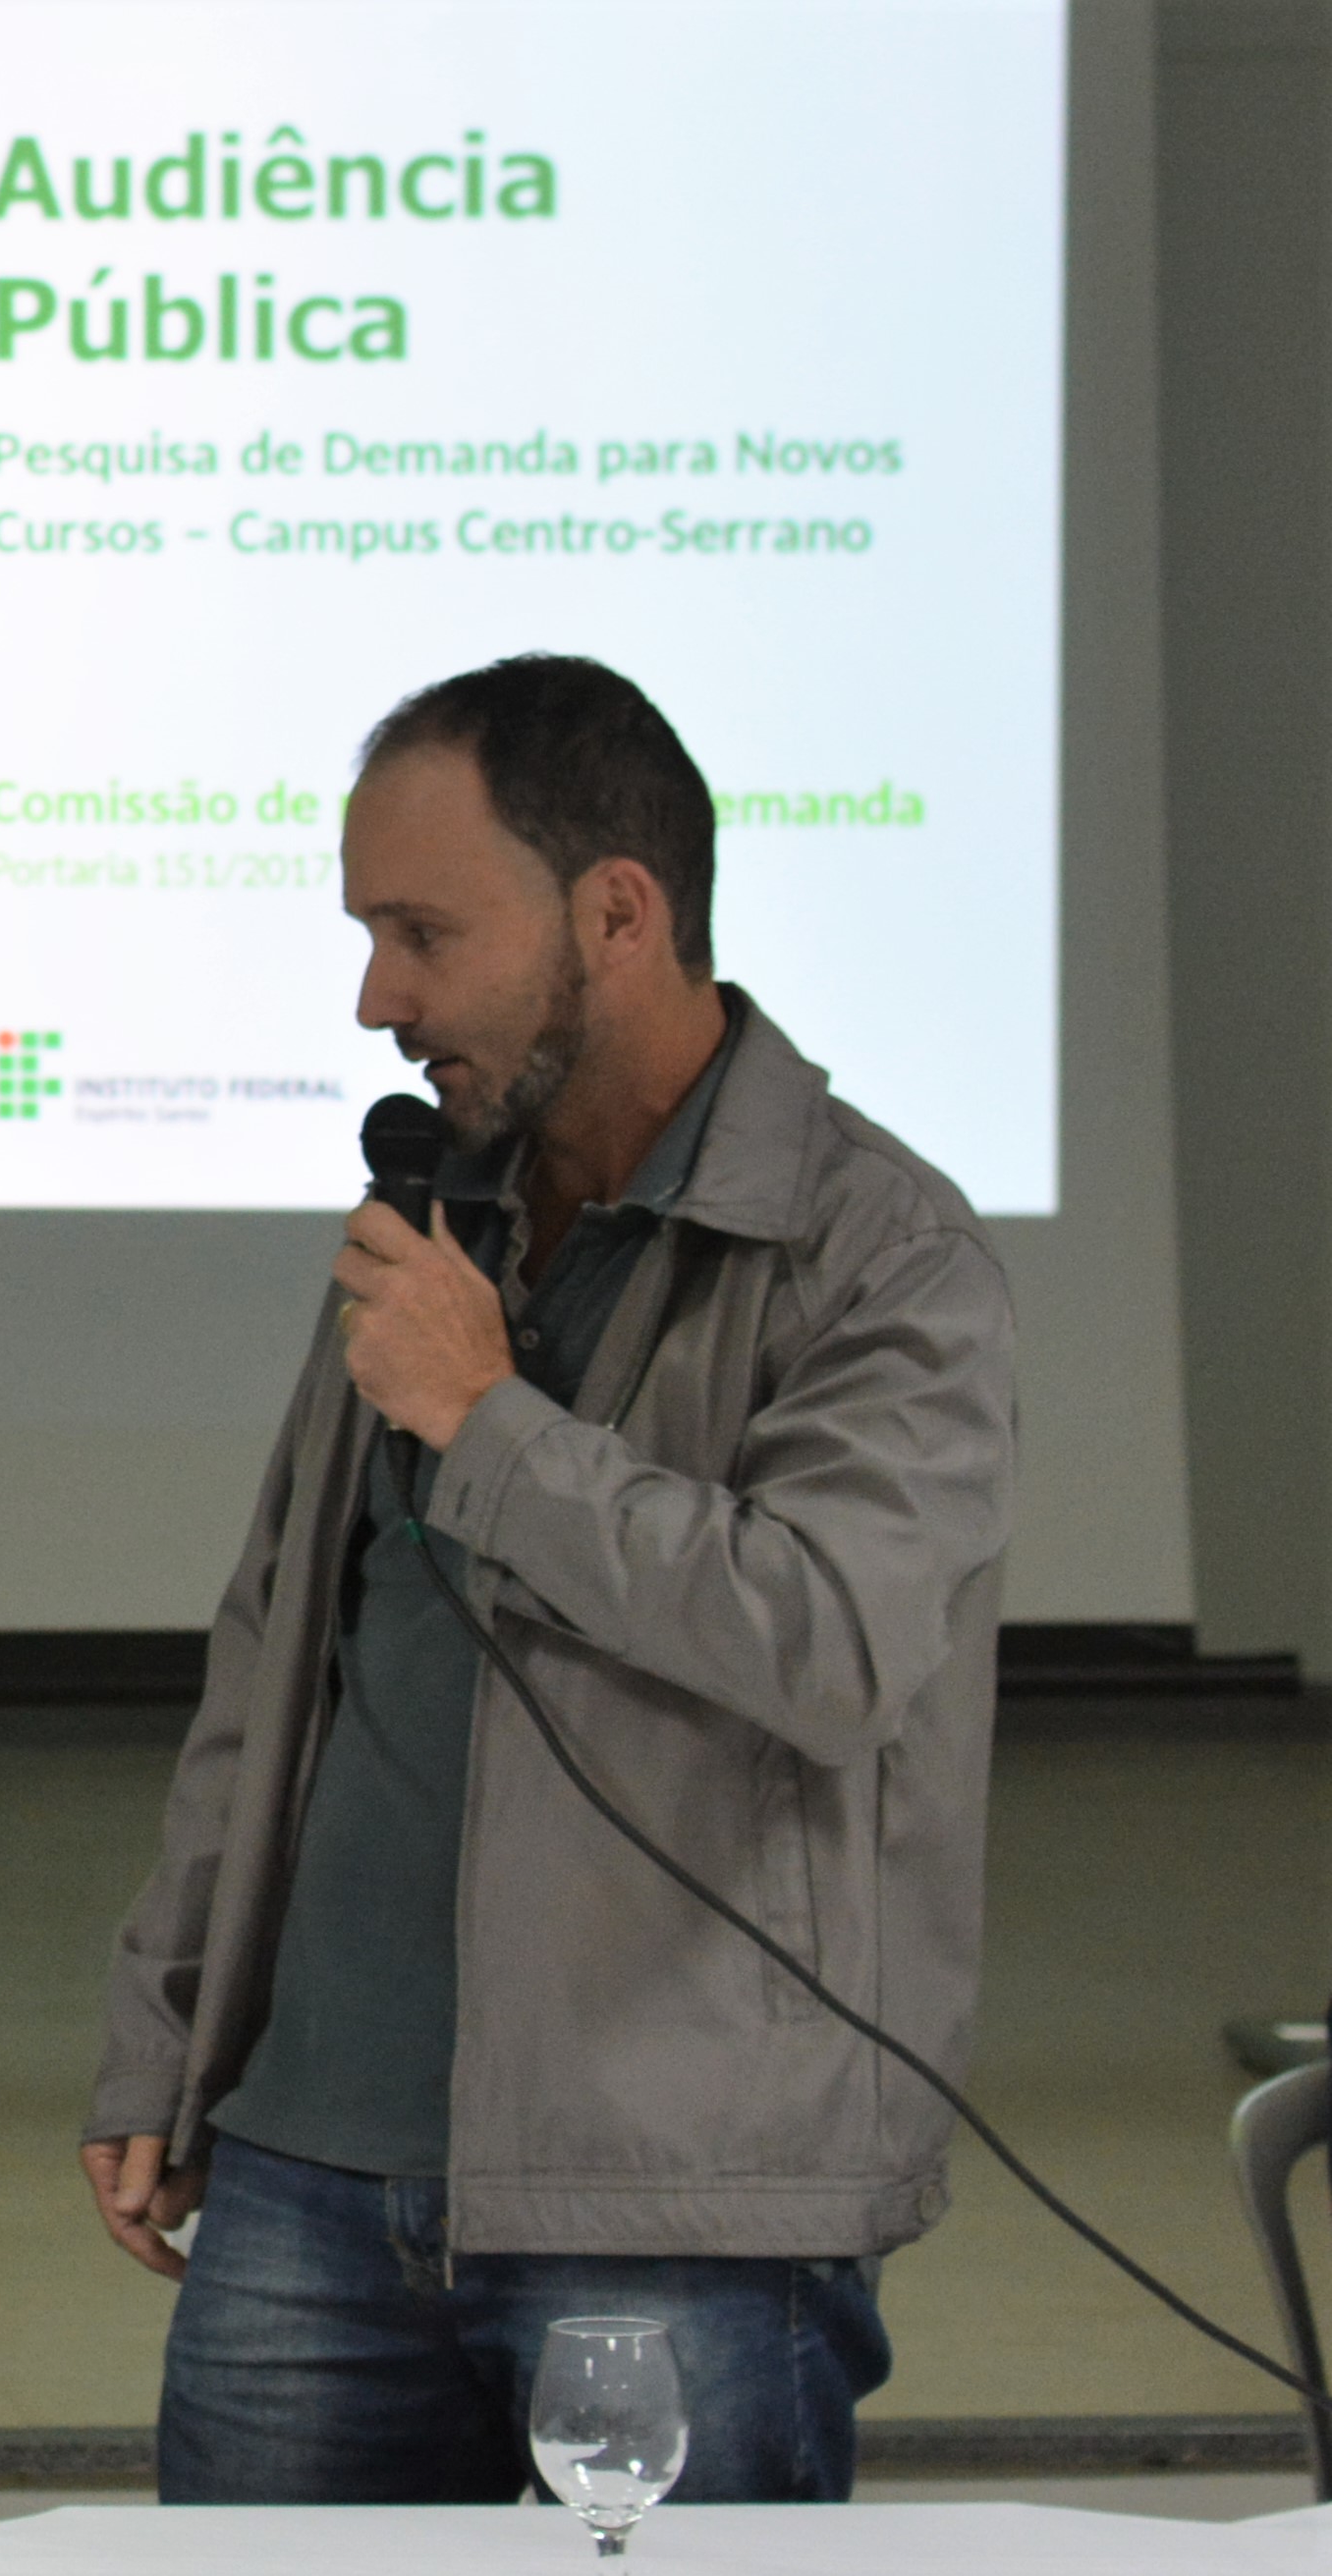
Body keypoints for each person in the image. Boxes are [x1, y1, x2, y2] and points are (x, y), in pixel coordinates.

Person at [83, 655, 1018, 2502]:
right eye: (367, 935)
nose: (377, 999)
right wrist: (169, 2028)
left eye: (423, 933)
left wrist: (489, 1420)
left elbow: (830, 1641)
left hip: (679, 2193)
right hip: (308, 2160)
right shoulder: (443, 1217)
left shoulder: (880, 1251)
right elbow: (281, 1650)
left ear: (616, 913)